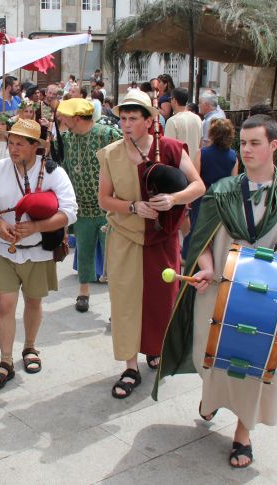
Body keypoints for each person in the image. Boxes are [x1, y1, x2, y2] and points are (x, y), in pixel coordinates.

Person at [156, 114, 277, 468]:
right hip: (218, 290)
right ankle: (211, 396)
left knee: (254, 364)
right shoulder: (222, 192)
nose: (245, 151)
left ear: (274, 145)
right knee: (209, 353)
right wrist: (205, 266)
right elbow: (200, 239)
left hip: (266, 298)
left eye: (255, 143)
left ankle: (243, 435)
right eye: (242, 144)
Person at [97, 90, 204, 399]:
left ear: (149, 120)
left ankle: (156, 349)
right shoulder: (111, 153)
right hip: (125, 238)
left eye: (133, 118)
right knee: (126, 302)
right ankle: (130, 366)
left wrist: (173, 198)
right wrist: (132, 206)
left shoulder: (169, 148)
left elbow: (198, 185)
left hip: (163, 239)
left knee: (162, 299)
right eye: (123, 118)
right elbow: (104, 198)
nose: (126, 124)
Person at [0, 119, 77, 389]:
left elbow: (69, 212)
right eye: (10, 142)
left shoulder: (53, 173)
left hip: (38, 252)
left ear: (36, 146)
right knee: (5, 305)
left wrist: (36, 227)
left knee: (33, 303)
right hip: (3, 251)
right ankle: (5, 360)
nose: (13, 148)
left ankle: (30, 348)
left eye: (21, 143)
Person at [58, 98, 122, 312]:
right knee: (84, 251)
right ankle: (83, 292)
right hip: (82, 208)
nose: (62, 120)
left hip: (109, 208)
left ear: (76, 118)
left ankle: (117, 304)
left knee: (112, 257)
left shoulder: (108, 135)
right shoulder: (66, 139)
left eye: (65, 117)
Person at [182, 118, 239, 256]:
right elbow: (233, 181)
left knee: (197, 226)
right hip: (221, 199)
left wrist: (189, 197)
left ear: (212, 134)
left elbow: (194, 178)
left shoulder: (203, 153)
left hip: (202, 196)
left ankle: (189, 255)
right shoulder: (233, 156)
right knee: (215, 229)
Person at [165, 87, 203, 170]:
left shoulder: (172, 121)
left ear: (174, 100)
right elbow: (200, 144)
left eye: (171, 99)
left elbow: (168, 149)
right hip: (195, 168)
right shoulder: (197, 118)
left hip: (179, 169)